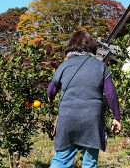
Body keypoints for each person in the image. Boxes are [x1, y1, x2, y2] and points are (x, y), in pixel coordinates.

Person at [47, 30, 122, 168]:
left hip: (67, 117)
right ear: (91, 46)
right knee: (90, 162)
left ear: (71, 46)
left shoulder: (64, 66)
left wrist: (53, 103)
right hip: (92, 119)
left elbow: (50, 91)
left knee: (61, 160)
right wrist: (116, 117)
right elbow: (110, 94)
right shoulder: (100, 66)